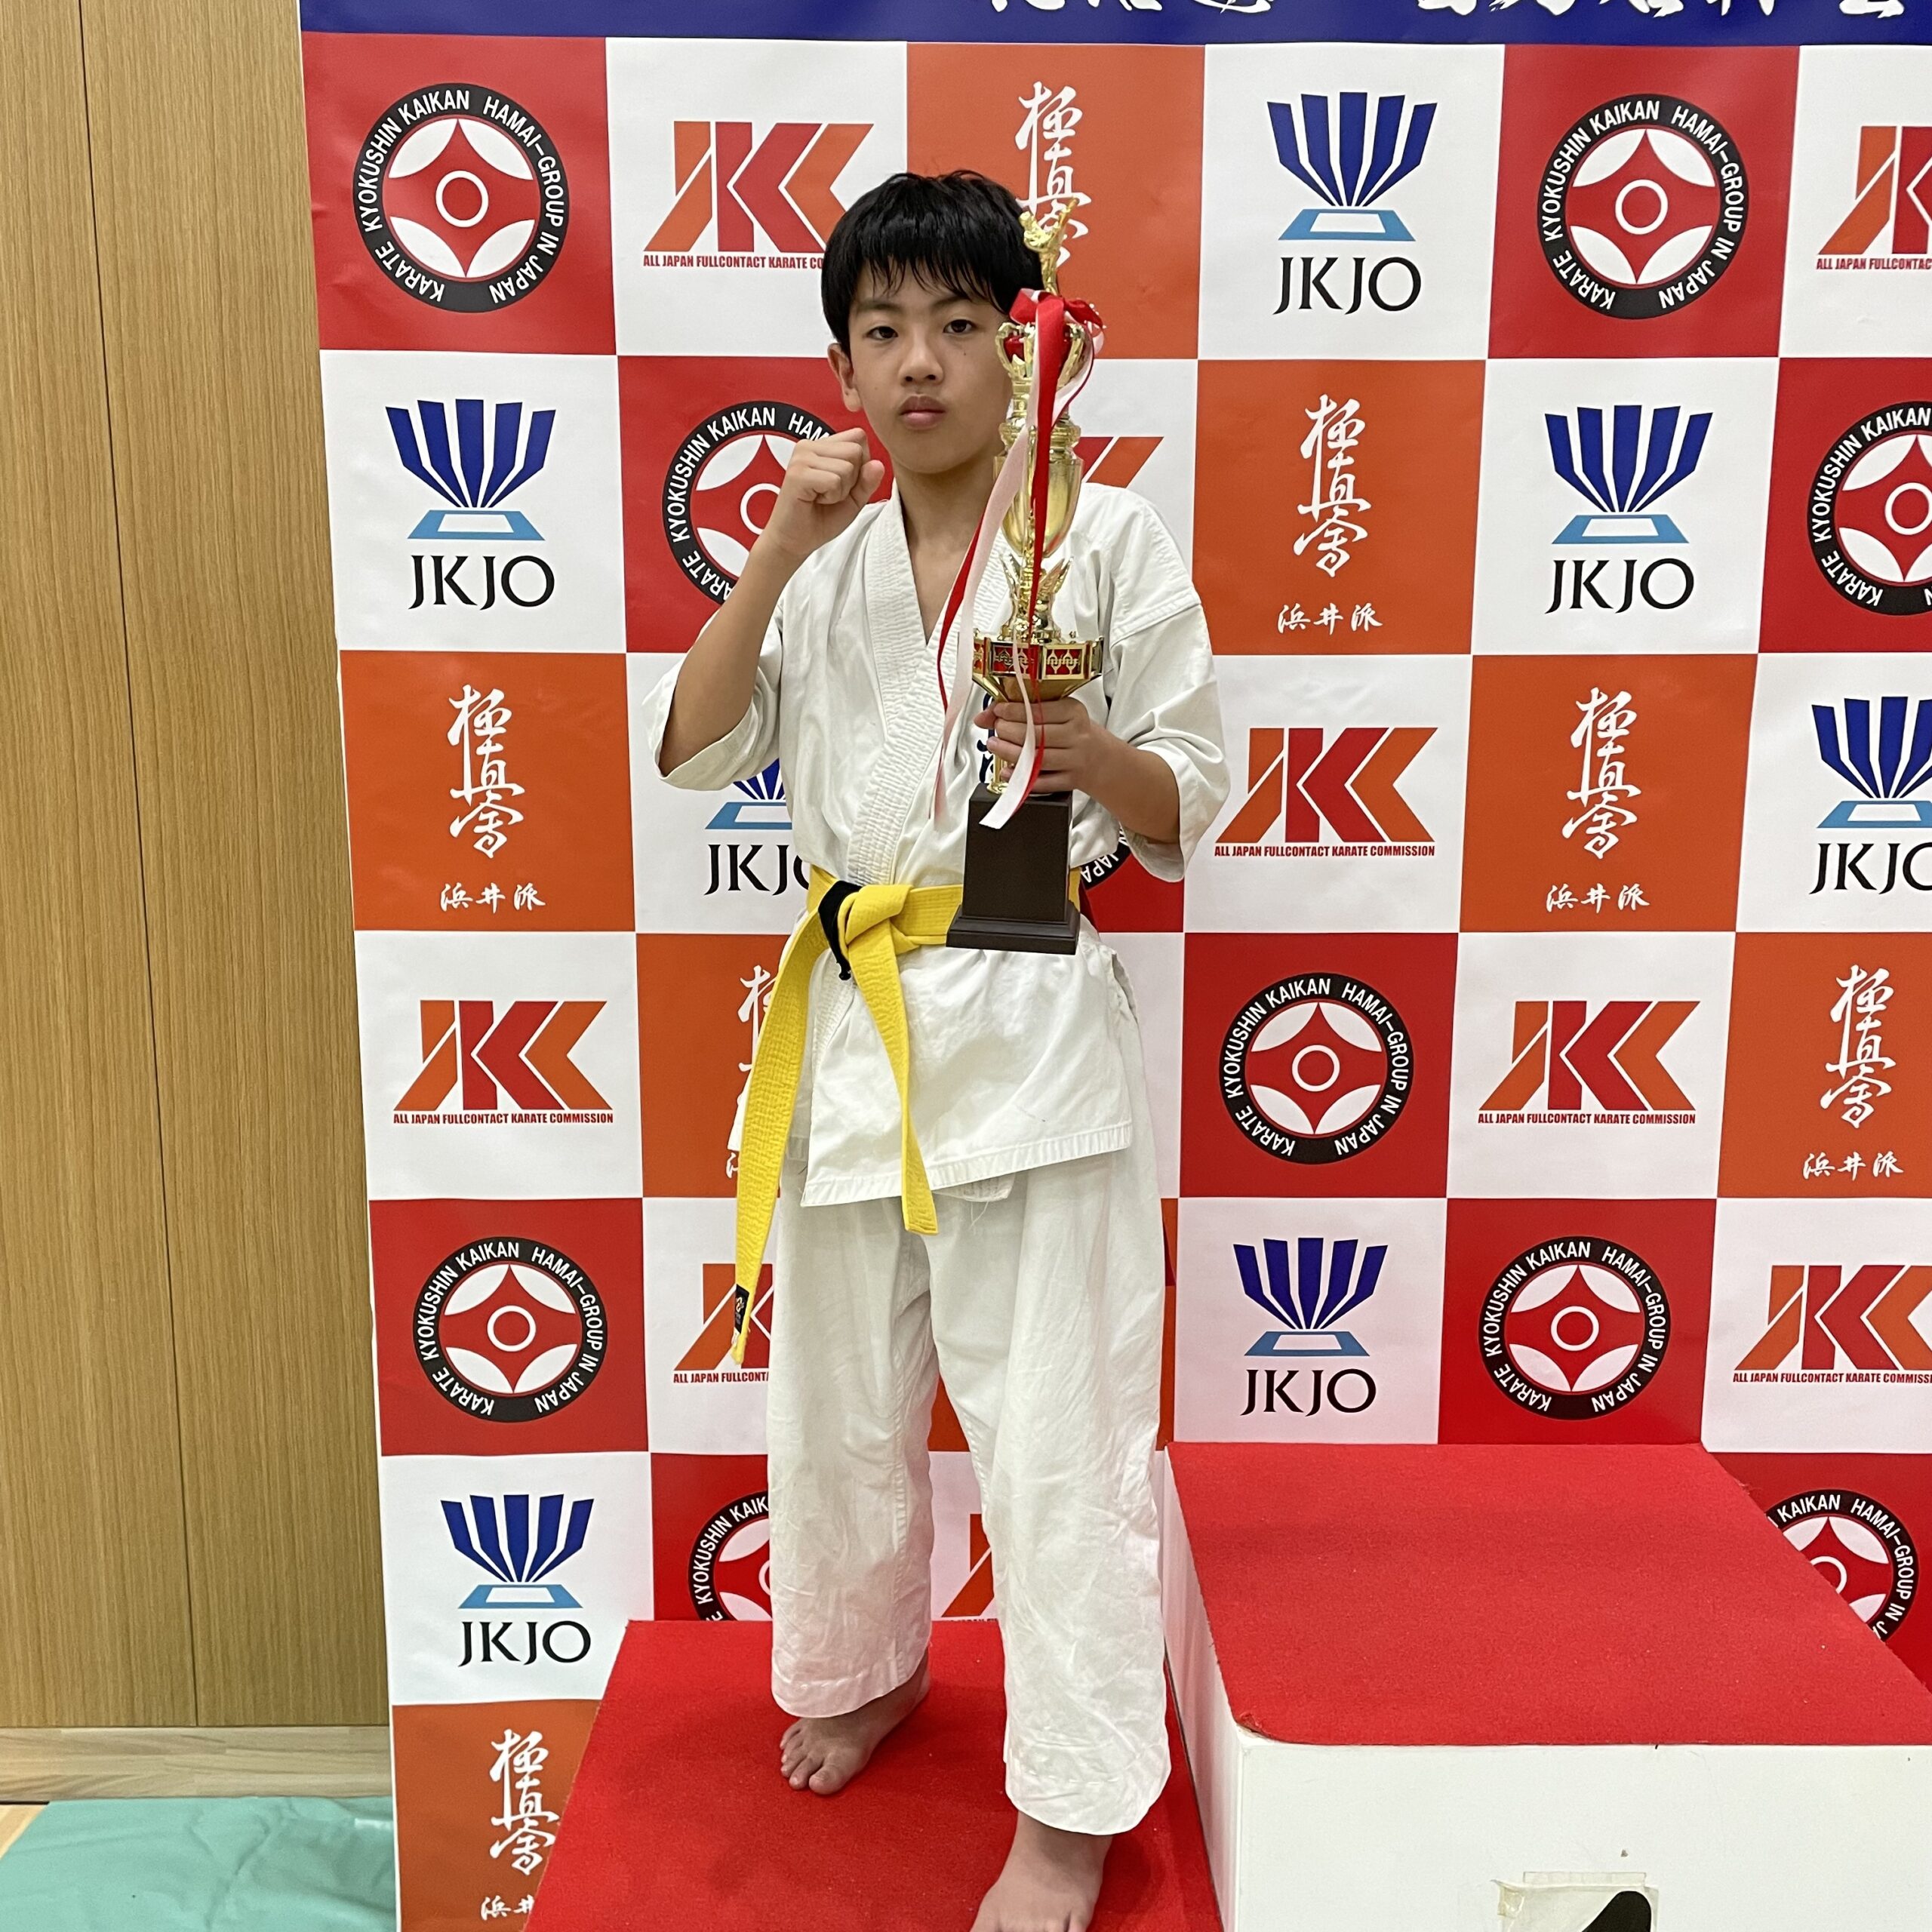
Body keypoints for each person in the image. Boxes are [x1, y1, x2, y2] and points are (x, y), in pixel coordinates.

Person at [640, 170, 1226, 1932]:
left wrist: (1088, 749)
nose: (919, 362)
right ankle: (865, 1660)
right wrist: (767, 547)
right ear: (839, 364)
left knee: (1052, 1432)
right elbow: (689, 746)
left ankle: (1067, 1803)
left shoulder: (1101, 541)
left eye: (958, 325)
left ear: (1019, 352)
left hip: (1026, 1027)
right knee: (834, 1406)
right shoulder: (819, 558)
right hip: (851, 1024)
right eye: (881, 328)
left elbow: (1192, 800)